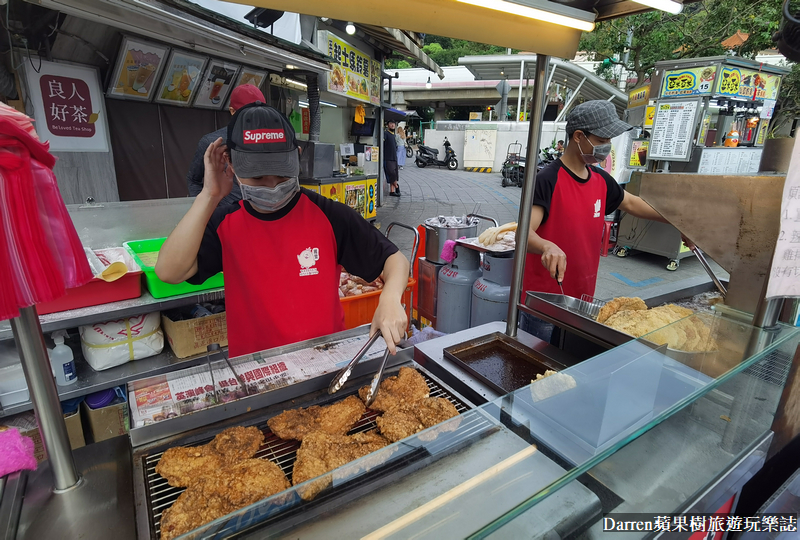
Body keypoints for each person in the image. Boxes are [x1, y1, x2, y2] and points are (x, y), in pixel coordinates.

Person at [157, 103, 410, 357]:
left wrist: (389, 299)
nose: (271, 186)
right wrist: (209, 195)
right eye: (257, 178)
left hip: (325, 362)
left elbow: (394, 259)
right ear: (230, 164)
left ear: (296, 156)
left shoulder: (327, 215)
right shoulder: (226, 223)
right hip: (257, 374)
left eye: (281, 175)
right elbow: (169, 271)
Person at [520, 100, 690, 341]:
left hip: (582, 299)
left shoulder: (601, 179)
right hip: (545, 300)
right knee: (537, 366)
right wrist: (546, 245)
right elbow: (524, 234)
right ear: (578, 136)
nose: (607, 147)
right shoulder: (548, 179)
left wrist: (680, 222)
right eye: (601, 141)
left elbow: (633, 204)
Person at [186, 84, 266, 206]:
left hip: (264, 215)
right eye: (247, 114)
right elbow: (193, 180)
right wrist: (208, 211)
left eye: (261, 113)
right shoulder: (212, 143)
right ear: (232, 111)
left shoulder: (273, 138)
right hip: (225, 218)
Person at [384, 120, 400, 197]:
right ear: (388, 125)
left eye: (394, 123)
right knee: (391, 173)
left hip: (394, 157)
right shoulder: (385, 134)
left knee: (395, 174)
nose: (393, 125)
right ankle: (397, 187)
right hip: (387, 157)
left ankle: (392, 191)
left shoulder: (394, 135)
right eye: (391, 123)